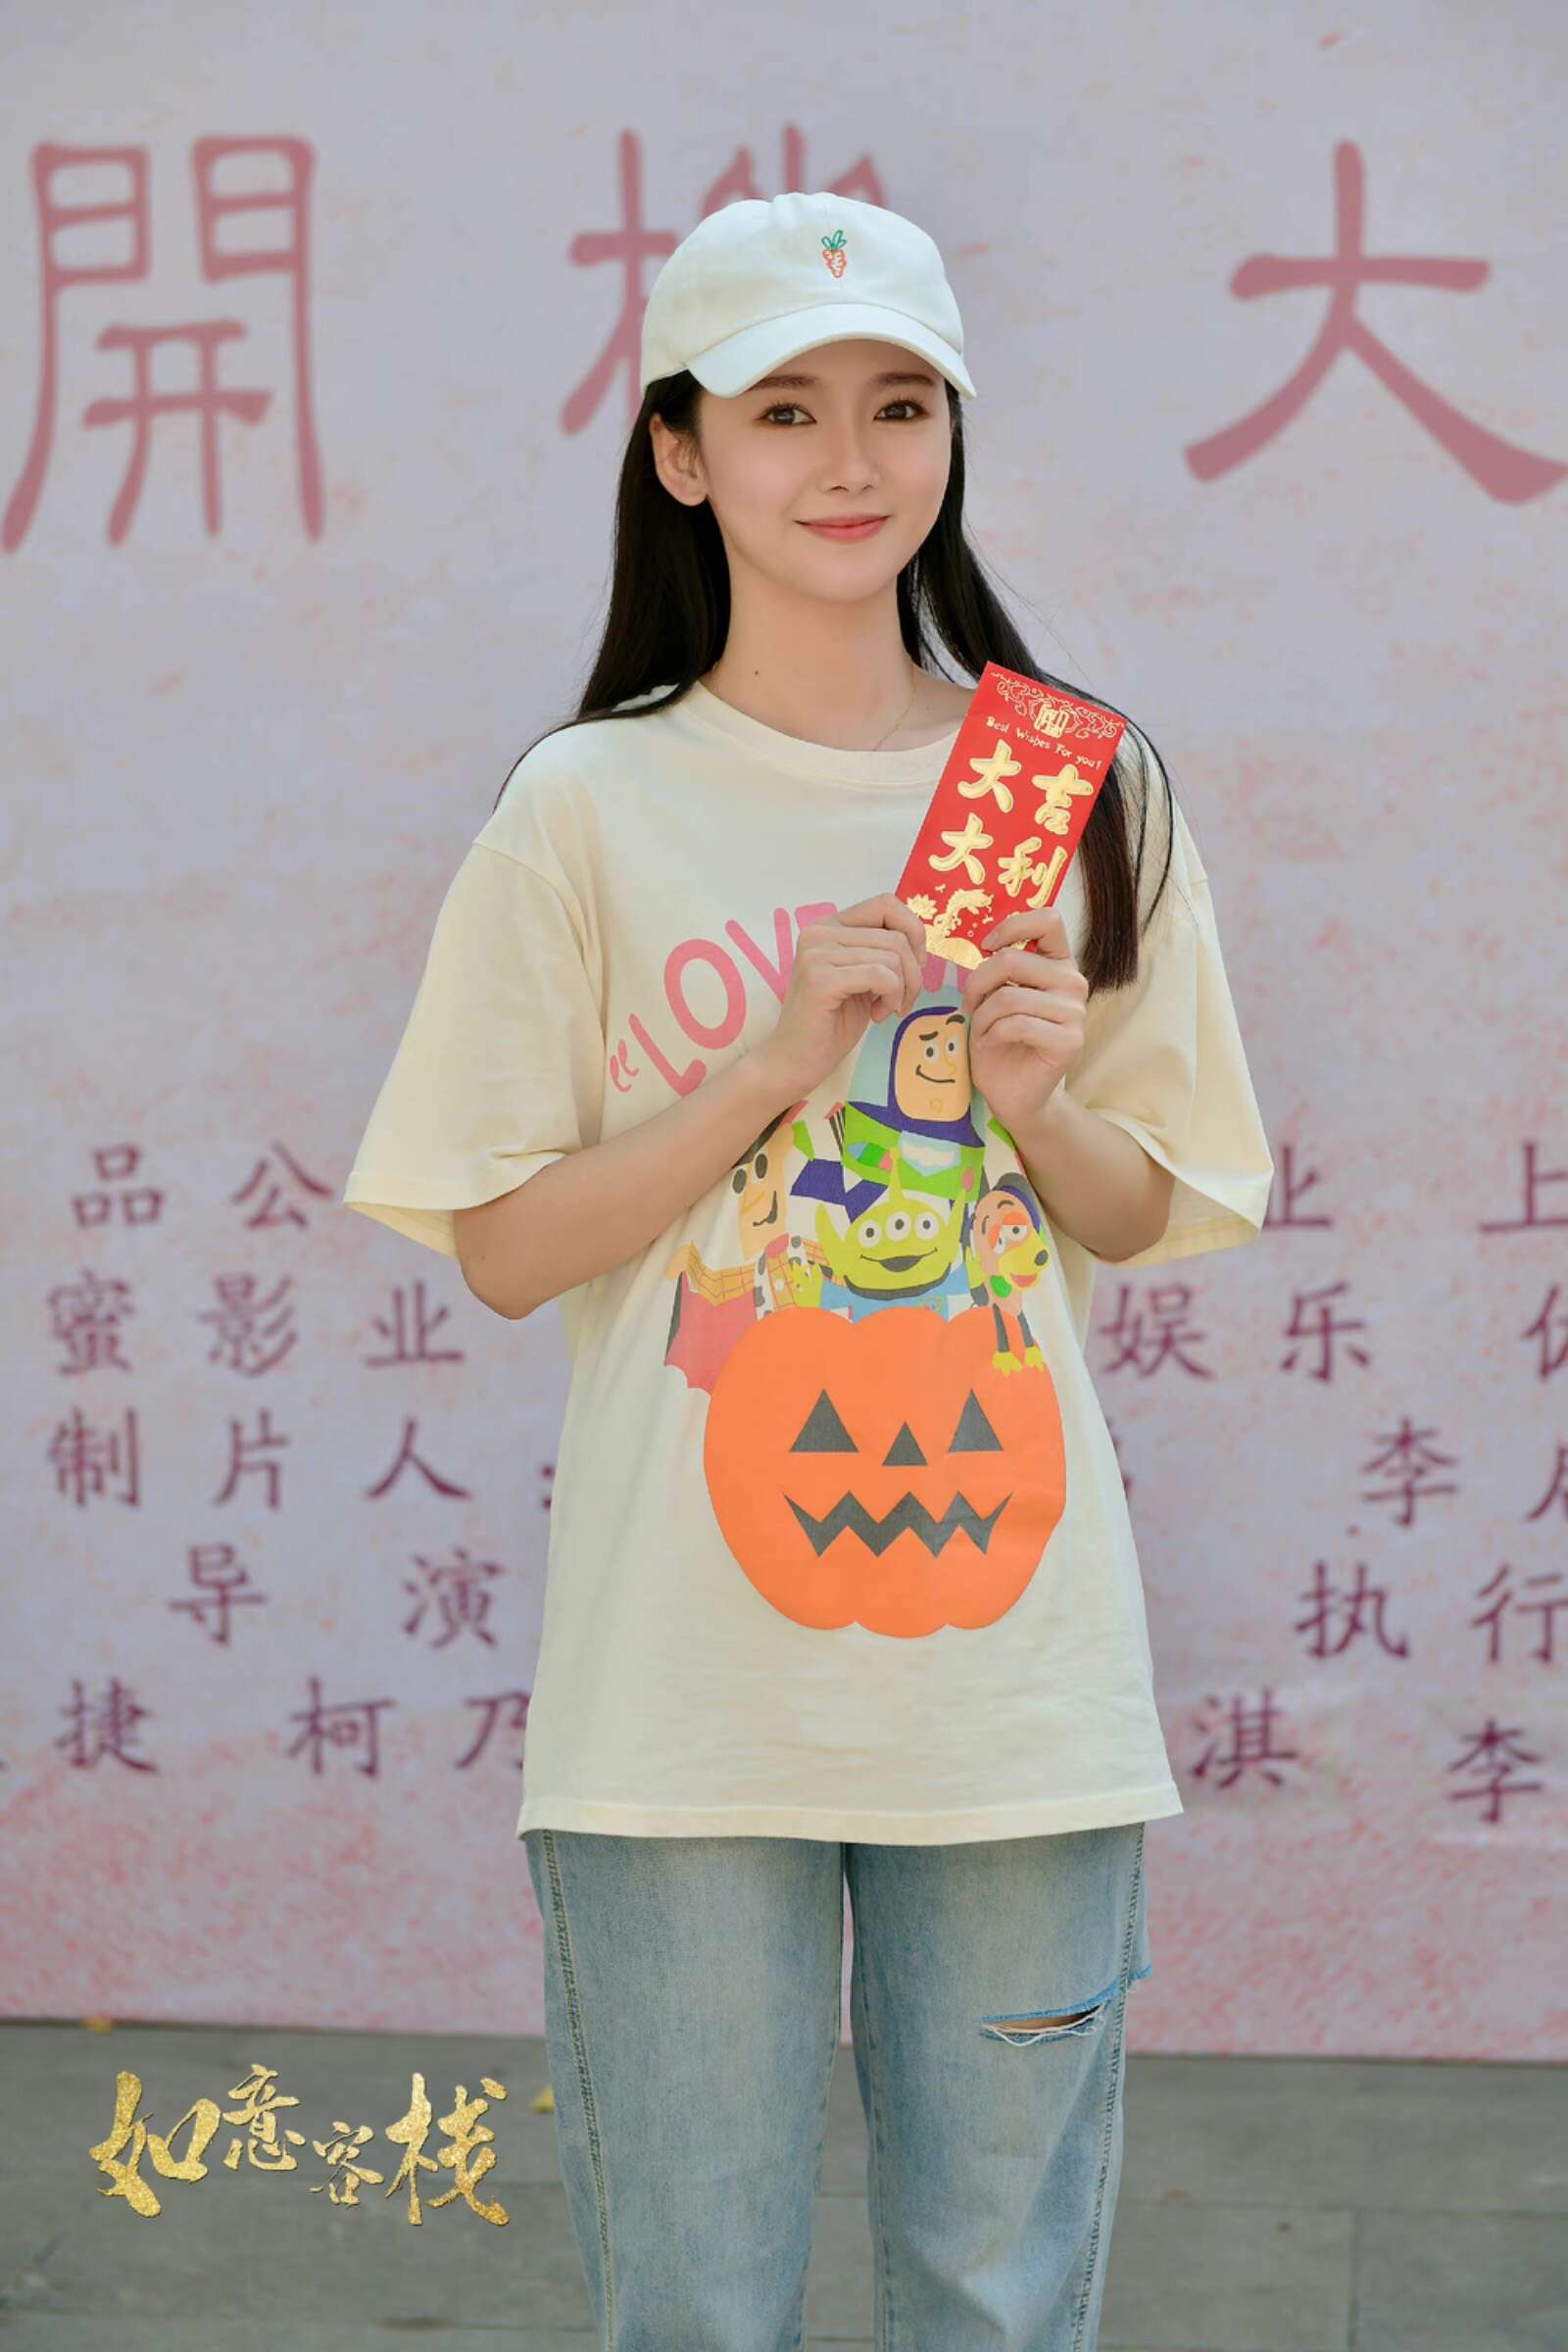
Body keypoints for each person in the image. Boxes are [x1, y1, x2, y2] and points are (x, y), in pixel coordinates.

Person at [343, 190, 1274, 2351]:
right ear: (681, 452)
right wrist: (767, 1072)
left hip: (1010, 1674)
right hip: (678, 1692)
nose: (849, 462)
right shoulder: (587, 805)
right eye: (782, 411)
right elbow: (502, 1248)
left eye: (897, 405)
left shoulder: (1063, 778)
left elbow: (1146, 1209)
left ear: (951, 433)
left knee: (994, 2301)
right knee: (693, 2307)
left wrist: (1037, 1100)